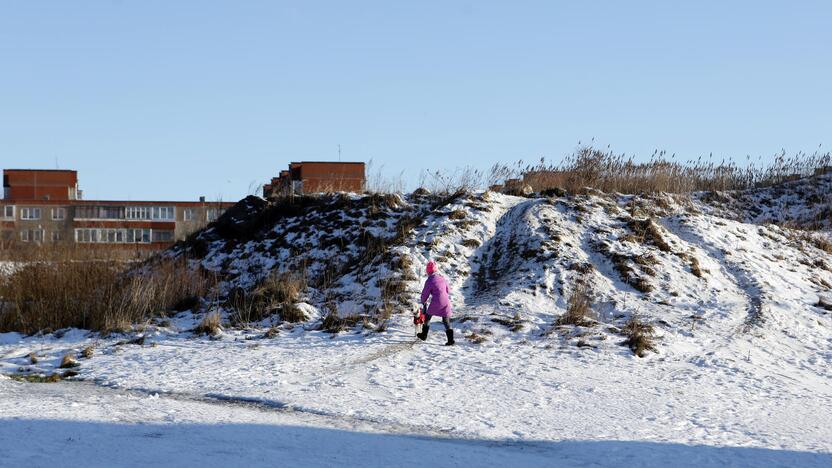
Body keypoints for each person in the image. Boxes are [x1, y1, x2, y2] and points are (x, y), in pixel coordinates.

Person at [417, 260, 454, 345]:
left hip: (437, 302)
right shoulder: (442, 278)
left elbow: (425, 293)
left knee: (427, 317)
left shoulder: (430, 280)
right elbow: (448, 290)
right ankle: (451, 340)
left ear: (428, 271)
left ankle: (424, 335)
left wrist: (423, 301)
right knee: (446, 320)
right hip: (446, 302)